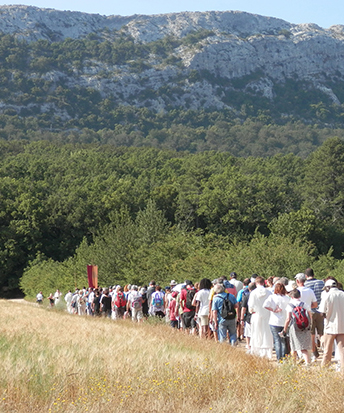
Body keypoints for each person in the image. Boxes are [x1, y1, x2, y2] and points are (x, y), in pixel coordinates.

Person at [319, 279, 344, 372]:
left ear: (328, 287)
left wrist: (327, 315)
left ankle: (324, 369)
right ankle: (343, 369)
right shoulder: (342, 294)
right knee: (342, 348)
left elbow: (322, 312)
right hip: (342, 325)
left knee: (327, 349)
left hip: (330, 325)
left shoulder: (327, 295)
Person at [283, 288, 312, 365]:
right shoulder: (304, 304)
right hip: (305, 327)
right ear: (300, 296)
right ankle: (307, 363)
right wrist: (310, 324)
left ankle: (293, 363)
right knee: (304, 347)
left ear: (291, 296)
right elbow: (310, 315)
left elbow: (288, 318)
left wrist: (285, 329)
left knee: (293, 347)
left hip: (294, 327)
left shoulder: (290, 305)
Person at [263, 282, 290, 361]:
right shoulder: (287, 298)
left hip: (274, 321)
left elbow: (265, 305)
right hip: (284, 321)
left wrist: (273, 310)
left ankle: (279, 358)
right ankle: (284, 357)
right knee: (283, 340)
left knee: (277, 340)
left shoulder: (272, 297)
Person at [248, 276, 273, 358]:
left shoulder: (253, 293)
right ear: (264, 283)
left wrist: (251, 310)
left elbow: (250, 305)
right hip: (267, 315)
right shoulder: (269, 292)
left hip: (256, 314)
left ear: (256, 283)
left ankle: (256, 351)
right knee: (267, 333)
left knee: (256, 333)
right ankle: (267, 352)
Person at [304, 267, 325, 361]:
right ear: (314, 274)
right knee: (322, 333)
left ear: (306, 276)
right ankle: (325, 350)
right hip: (321, 311)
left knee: (312, 334)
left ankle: (314, 353)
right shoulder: (321, 283)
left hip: (310, 311)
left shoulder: (305, 285)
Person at [241, 282, 256, 352]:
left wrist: (241, 318)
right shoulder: (257, 295)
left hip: (248, 317)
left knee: (248, 333)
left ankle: (249, 346)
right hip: (257, 316)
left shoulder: (247, 296)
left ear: (249, 289)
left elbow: (243, 308)